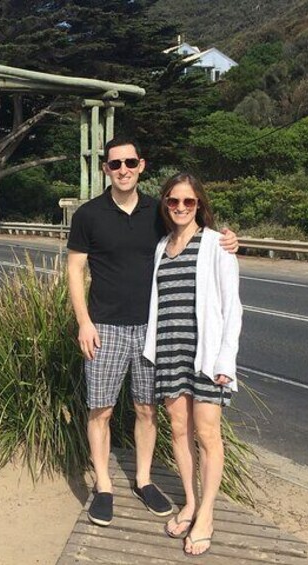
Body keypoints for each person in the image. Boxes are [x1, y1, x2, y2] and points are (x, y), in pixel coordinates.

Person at [66, 137, 238, 527]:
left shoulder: (157, 211)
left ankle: (143, 480)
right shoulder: (88, 215)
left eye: (130, 162)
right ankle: (105, 486)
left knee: (147, 410)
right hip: (103, 327)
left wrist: (229, 239)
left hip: (151, 332)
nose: (123, 169)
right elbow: (75, 269)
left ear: (141, 165)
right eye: (115, 164)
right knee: (101, 409)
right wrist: (84, 321)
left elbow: (191, 228)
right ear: (105, 169)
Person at [142, 173, 242, 556]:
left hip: (205, 357)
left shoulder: (217, 244)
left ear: (199, 205)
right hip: (168, 352)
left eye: (189, 202)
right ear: (165, 205)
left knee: (207, 434)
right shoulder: (161, 247)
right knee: (179, 430)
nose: (181, 208)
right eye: (173, 202)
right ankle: (190, 501)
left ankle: (208, 515)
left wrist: (225, 361)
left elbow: (232, 308)